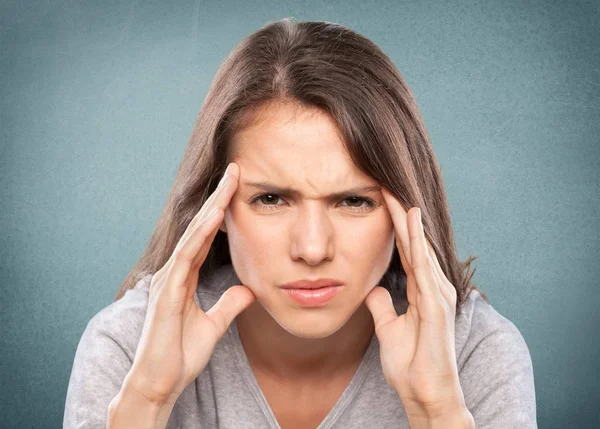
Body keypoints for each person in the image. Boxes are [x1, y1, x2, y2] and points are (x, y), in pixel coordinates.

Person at [63, 18, 537, 429]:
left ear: (406, 208)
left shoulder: (476, 353)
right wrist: (146, 402)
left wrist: (436, 413)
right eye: (270, 199)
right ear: (216, 208)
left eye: (353, 201)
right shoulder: (126, 349)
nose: (312, 249)